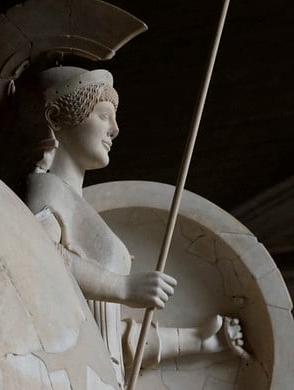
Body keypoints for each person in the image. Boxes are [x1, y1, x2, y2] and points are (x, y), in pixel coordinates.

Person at [18, 65, 246, 384]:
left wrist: (202, 340)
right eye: (102, 115)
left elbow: (110, 334)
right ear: (55, 119)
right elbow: (36, 256)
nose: (114, 129)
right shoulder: (47, 189)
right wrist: (122, 286)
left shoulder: (77, 206)